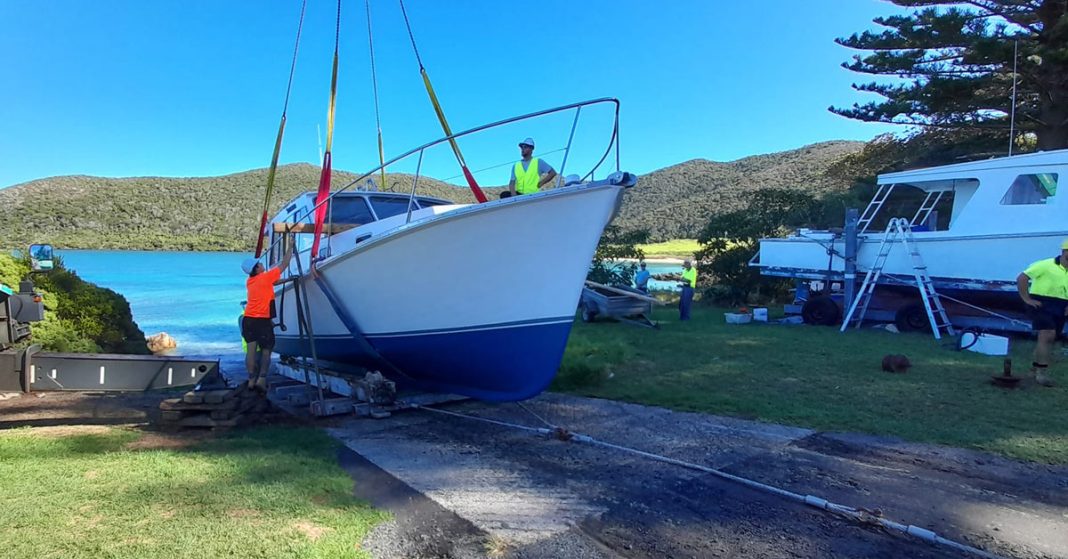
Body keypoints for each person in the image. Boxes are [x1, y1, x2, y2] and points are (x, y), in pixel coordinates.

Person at [1016, 240, 1068, 387]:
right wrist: (1026, 299)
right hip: (1041, 303)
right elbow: (1022, 277)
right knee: (1047, 333)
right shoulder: (1046, 264)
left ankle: (1034, 369)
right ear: (1063, 252)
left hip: (1061, 304)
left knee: (1049, 338)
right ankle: (1042, 373)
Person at [241, 246, 293, 392]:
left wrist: (288, 279)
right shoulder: (265, 277)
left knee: (250, 351)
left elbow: (272, 282)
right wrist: (290, 246)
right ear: (256, 269)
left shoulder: (250, 281)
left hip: (248, 319)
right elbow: (284, 264)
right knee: (266, 350)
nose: (263, 264)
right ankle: (262, 378)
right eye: (260, 264)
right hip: (261, 320)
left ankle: (251, 379)